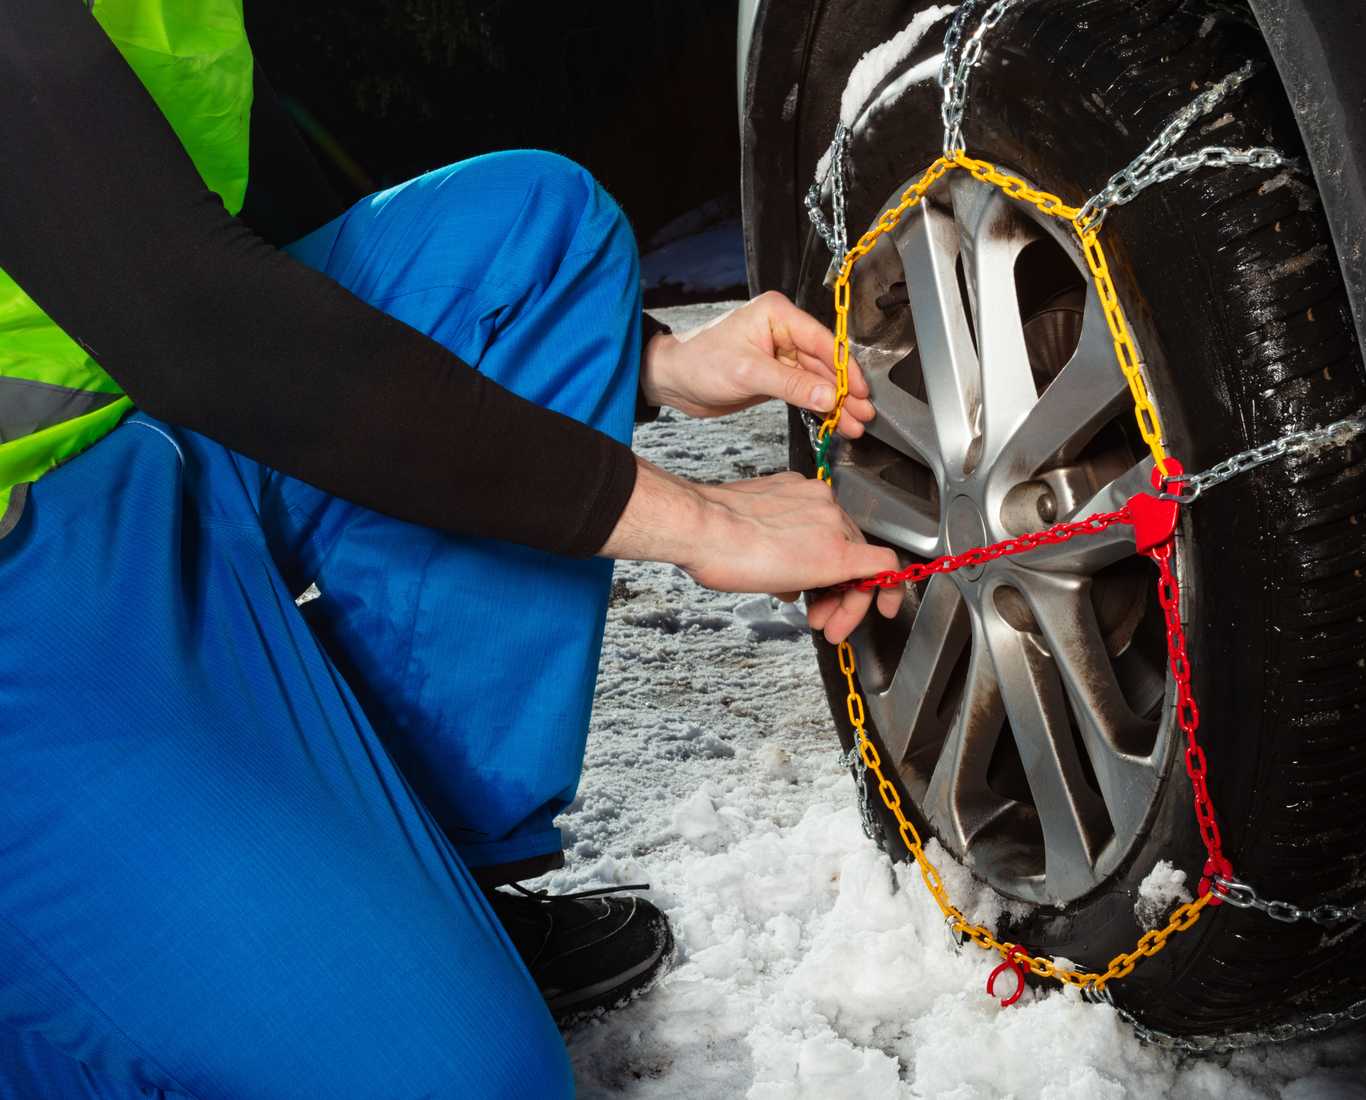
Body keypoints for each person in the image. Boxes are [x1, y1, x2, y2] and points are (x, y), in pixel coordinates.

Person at [0, 1, 903, 1096]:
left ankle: (427, 893)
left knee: (534, 237)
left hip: (138, 462)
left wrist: (650, 362)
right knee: (470, 1080)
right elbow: (201, 321)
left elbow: (258, 258)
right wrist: (703, 521)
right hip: (28, 591)